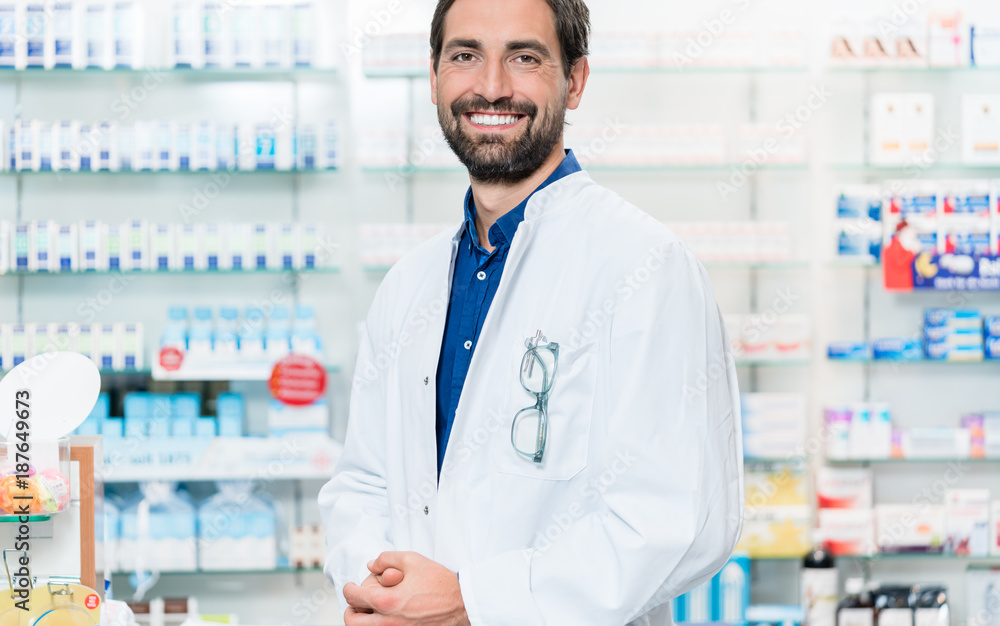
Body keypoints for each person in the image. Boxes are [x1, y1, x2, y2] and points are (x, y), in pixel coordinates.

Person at [319, 0, 744, 623]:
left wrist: (473, 603)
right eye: (465, 55)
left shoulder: (644, 267)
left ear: (574, 80)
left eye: (524, 57)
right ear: (434, 75)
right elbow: (362, 485)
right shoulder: (409, 285)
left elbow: (672, 519)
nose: (491, 86)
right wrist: (381, 594)